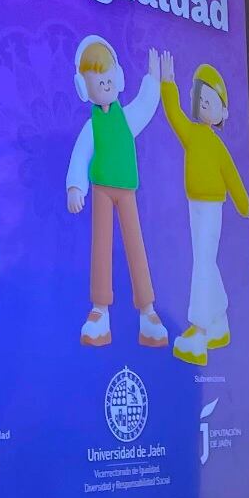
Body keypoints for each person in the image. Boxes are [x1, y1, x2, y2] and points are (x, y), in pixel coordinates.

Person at [65, 36, 167, 348]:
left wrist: (153, 79)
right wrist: (75, 186)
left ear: (119, 78)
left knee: (135, 245)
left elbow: (146, 105)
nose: (106, 85)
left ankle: (148, 311)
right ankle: (99, 311)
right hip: (100, 191)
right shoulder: (92, 126)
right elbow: (80, 155)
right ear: (84, 88)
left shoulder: (127, 117)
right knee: (101, 246)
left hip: (127, 191)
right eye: (99, 81)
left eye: (109, 78)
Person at [156, 51, 249, 365]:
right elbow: (174, 114)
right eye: (200, 98)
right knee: (206, 261)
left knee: (203, 263)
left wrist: (244, 206)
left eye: (211, 100)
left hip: (212, 208)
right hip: (195, 205)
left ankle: (198, 330)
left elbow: (232, 176)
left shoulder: (217, 146)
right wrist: (168, 84)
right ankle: (218, 323)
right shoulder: (192, 133)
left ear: (224, 110)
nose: (205, 103)